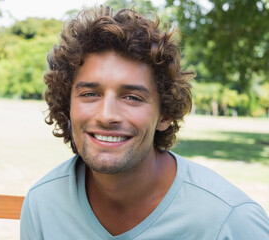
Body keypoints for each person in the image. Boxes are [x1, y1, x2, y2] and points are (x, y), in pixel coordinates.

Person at [20, 6, 269, 239]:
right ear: (68, 106)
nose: (107, 116)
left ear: (165, 114)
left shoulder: (231, 221)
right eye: (90, 94)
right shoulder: (43, 203)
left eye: (132, 97)